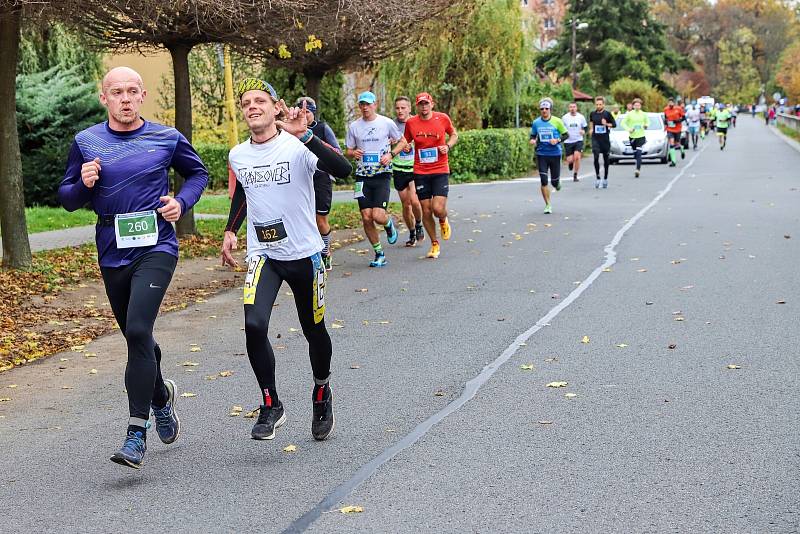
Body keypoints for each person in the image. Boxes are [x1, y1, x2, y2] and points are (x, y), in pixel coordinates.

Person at [59, 67, 209, 469]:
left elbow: (197, 173)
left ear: (142, 95)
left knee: (139, 329)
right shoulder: (87, 141)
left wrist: (183, 202)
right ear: (103, 97)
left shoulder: (165, 137)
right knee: (135, 336)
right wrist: (83, 184)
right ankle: (160, 396)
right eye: (116, 92)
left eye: (131, 91)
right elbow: (68, 198)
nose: (124, 99)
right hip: (111, 249)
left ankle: (135, 433)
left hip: (156, 244)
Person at [222, 78, 352, 442]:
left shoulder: (297, 147)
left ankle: (322, 390)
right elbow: (246, 192)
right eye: (246, 102)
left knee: (314, 330)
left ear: (277, 107)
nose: (252, 107)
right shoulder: (238, 154)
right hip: (264, 254)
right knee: (253, 325)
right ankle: (271, 403)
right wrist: (231, 230)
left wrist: (306, 135)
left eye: (260, 100)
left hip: (304, 254)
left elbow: (342, 169)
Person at [394, 92, 458, 259]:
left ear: (432, 104)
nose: (424, 106)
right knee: (426, 209)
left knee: (437, 208)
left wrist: (448, 146)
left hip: (440, 169)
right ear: (417, 106)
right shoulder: (411, 123)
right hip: (421, 171)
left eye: (426, 103)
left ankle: (443, 220)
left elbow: (454, 134)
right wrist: (392, 153)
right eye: (421, 104)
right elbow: (404, 140)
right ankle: (434, 243)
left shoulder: (442, 118)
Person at [345, 91, 401, 267]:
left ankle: (389, 223)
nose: (365, 107)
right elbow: (348, 150)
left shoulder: (386, 123)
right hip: (362, 176)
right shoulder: (354, 126)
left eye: (368, 104)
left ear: (375, 104)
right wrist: (353, 152)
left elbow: (403, 141)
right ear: (359, 106)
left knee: (377, 215)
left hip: (382, 174)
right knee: (366, 216)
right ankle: (379, 253)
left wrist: (391, 155)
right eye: (362, 104)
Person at [296, 96, 342, 271]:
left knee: (320, 219)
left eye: (307, 112)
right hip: (301, 178)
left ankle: (325, 252)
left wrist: (316, 143)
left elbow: (338, 152)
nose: (304, 115)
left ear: (313, 113)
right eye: (301, 112)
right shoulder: (292, 130)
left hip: (321, 177)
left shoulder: (323, 128)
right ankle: (309, 253)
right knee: (304, 218)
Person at [391, 96, 424, 247]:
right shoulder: (391, 125)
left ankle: (418, 224)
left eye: (403, 108)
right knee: (406, 204)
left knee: (415, 201)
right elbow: (383, 143)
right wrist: (391, 142)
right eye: (397, 108)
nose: (400, 111)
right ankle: (411, 232)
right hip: (398, 169)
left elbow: (425, 141)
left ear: (409, 109)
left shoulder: (417, 122)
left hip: (414, 168)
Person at [529, 97, 568, 213]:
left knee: (554, 182)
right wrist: (532, 140)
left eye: (546, 108)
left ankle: (557, 183)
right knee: (544, 180)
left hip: (555, 154)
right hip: (542, 154)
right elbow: (533, 135)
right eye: (542, 109)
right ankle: (548, 205)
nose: (544, 111)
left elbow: (566, 135)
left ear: (550, 109)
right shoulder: (536, 123)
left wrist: (557, 140)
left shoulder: (557, 121)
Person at [588, 96, 616, 189]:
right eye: (597, 104)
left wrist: (607, 124)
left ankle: (605, 178)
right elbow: (591, 122)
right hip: (595, 138)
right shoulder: (592, 114)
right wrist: (591, 129)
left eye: (600, 104)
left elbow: (614, 125)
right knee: (595, 156)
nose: (598, 106)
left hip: (604, 139)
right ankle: (598, 177)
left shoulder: (607, 114)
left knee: (606, 159)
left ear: (603, 104)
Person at [621, 98, 648, 178]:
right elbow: (623, 123)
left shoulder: (643, 114)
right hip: (632, 137)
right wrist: (629, 129)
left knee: (639, 153)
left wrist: (646, 126)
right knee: (635, 153)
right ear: (633, 106)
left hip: (641, 136)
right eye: (635, 105)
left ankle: (637, 170)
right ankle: (637, 161)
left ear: (640, 106)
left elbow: (647, 122)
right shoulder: (629, 114)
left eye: (638, 105)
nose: (637, 106)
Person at [562, 102, 587, 182]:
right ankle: (570, 163)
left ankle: (575, 174)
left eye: (574, 107)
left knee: (577, 157)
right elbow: (561, 128)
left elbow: (585, 127)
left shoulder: (581, 117)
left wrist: (583, 131)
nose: (572, 108)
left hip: (578, 140)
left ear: (576, 108)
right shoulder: (565, 117)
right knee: (570, 159)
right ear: (569, 108)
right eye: (571, 107)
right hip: (568, 141)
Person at [663, 98, 685, 166]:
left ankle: (682, 149)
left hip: (677, 129)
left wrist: (678, 121)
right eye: (669, 103)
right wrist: (666, 122)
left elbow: (684, 118)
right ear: (668, 103)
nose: (670, 104)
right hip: (669, 129)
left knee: (677, 143)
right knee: (671, 143)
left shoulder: (678, 109)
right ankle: (673, 161)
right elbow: (665, 118)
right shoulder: (666, 109)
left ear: (674, 103)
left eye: (672, 103)